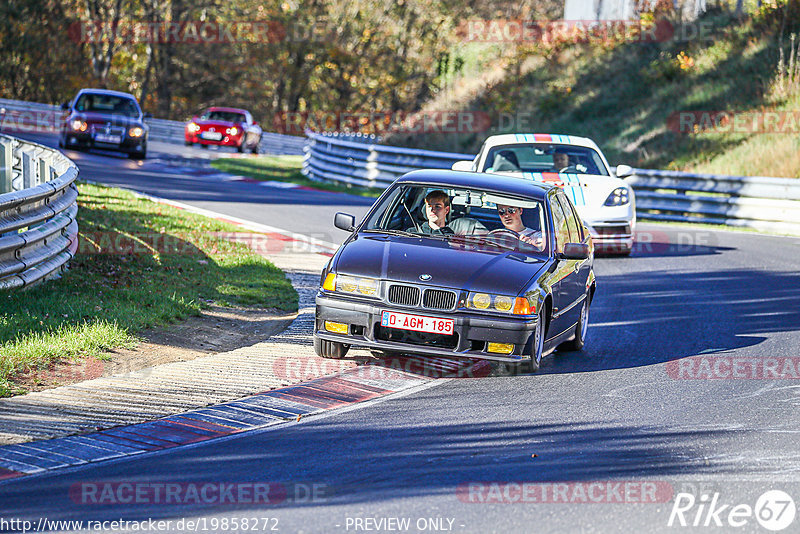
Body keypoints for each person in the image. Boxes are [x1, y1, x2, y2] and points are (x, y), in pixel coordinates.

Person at [409, 190, 487, 235]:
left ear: (446, 210)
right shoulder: (411, 233)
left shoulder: (453, 238)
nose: (432, 210)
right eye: (429, 206)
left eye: (437, 206)